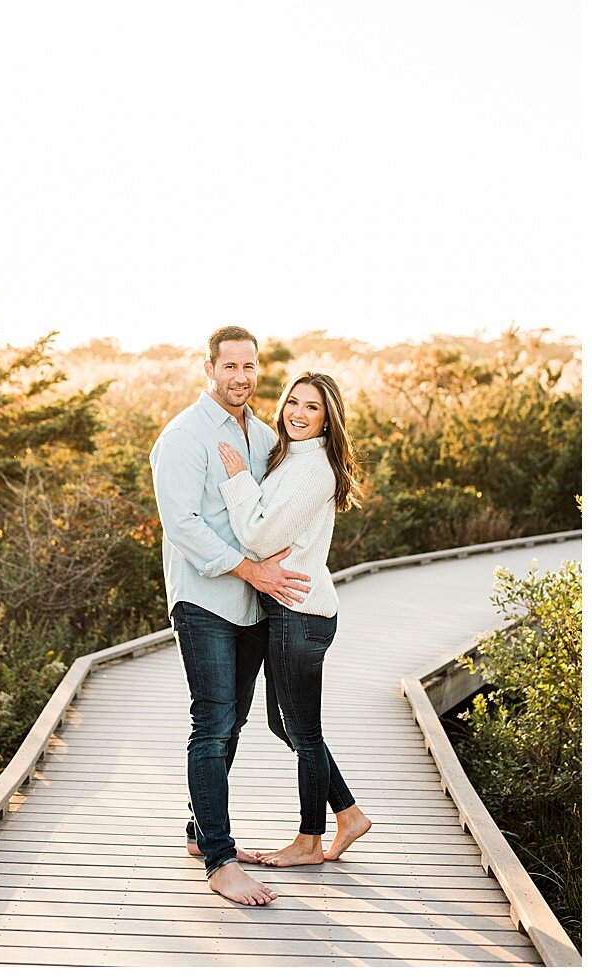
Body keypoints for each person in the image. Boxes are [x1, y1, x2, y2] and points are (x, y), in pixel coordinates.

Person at [149, 325, 310, 907]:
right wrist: (252, 570)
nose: (241, 377)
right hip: (205, 601)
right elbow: (182, 525)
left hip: (251, 606)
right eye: (230, 366)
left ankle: (201, 831)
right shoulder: (184, 436)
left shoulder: (264, 435)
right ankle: (220, 860)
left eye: (250, 367)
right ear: (210, 367)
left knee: (233, 722)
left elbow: (270, 513)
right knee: (213, 723)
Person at [217, 371, 372, 866]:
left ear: (328, 419)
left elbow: (259, 539)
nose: (298, 414)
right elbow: (267, 532)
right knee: (285, 724)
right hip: (292, 611)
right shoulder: (295, 459)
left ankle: (310, 839)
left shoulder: (312, 468)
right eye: (293, 403)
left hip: (299, 615)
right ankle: (348, 813)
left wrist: (238, 480)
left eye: (312, 408)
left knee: (301, 731)